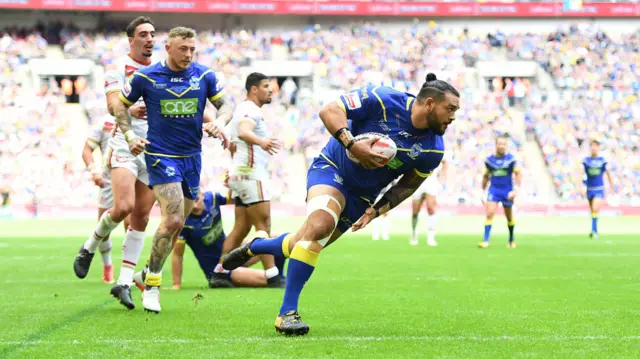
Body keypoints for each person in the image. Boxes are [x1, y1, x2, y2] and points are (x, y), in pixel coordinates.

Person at [223, 73, 460, 335]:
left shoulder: (434, 150)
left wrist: (378, 210)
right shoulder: (383, 99)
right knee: (320, 226)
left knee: (303, 242)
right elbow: (330, 110)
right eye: (449, 109)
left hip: (363, 196)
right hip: (332, 167)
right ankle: (286, 313)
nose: (453, 117)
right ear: (429, 103)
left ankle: (256, 246)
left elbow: (409, 184)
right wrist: (351, 144)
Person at [115, 26, 232, 313]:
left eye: (192, 49)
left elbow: (226, 106)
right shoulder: (146, 77)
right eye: (183, 49)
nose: (188, 54)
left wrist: (221, 122)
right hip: (160, 156)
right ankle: (152, 286)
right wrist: (130, 136)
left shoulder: (205, 75)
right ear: (168, 48)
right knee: (173, 219)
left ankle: (145, 272)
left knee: (176, 226)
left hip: (192, 158)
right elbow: (120, 106)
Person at [73, 17, 157, 311]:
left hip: (154, 147)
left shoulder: (161, 69)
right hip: (124, 141)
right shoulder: (117, 68)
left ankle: (122, 282)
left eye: (152, 34)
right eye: (143, 34)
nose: (149, 39)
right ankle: (89, 246)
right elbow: (112, 104)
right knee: (123, 207)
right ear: (131, 39)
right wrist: (131, 108)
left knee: (142, 218)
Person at [212, 72, 284, 288]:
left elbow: (234, 144)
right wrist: (262, 142)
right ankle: (273, 275)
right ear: (254, 89)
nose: (270, 90)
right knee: (264, 224)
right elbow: (243, 132)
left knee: (241, 228)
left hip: (240, 174)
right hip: (252, 175)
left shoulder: (242, 110)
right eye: (265, 86)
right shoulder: (249, 110)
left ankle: (220, 273)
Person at [151, 190, 281, 289]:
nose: (195, 206)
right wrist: (176, 285)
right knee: (268, 280)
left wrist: (230, 186)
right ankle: (222, 275)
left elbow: (230, 200)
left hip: (233, 253)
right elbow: (178, 255)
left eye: (197, 199)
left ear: (202, 194)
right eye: (190, 203)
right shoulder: (185, 224)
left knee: (276, 239)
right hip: (217, 268)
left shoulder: (212, 198)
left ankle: (280, 269)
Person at [80, 115, 125, 283]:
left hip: (133, 177)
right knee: (104, 228)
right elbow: (86, 150)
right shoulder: (104, 123)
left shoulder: (142, 116)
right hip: (108, 179)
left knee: (132, 224)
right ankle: (107, 266)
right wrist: (94, 171)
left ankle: (127, 274)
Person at [479, 135, 522, 249]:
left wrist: (516, 189)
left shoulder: (511, 159)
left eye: (504, 144)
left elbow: (518, 174)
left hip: (507, 191)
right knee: (489, 214)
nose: (502, 146)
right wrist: (482, 192)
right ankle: (485, 241)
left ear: (506, 145)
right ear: (496, 145)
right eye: (499, 144)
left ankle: (511, 239)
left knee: (509, 217)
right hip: (494, 190)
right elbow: (486, 176)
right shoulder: (489, 160)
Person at [410, 155, 448, 246]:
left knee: (431, 209)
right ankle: (414, 233)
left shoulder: (436, 145)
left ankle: (431, 237)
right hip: (417, 181)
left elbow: (445, 161)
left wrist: (442, 176)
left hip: (431, 181)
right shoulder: (417, 145)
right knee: (415, 212)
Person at [580, 139, 614, 240]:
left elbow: (608, 174)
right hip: (589, 189)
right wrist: (581, 186)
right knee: (593, 211)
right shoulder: (586, 161)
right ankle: (594, 229)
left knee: (595, 208)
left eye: (596, 146)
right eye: (592, 146)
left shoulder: (603, 161)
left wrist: (612, 186)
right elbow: (581, 173)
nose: (594, 148)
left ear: (598, 148)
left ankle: (594, 231)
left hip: (599, 189)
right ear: (590, 148)